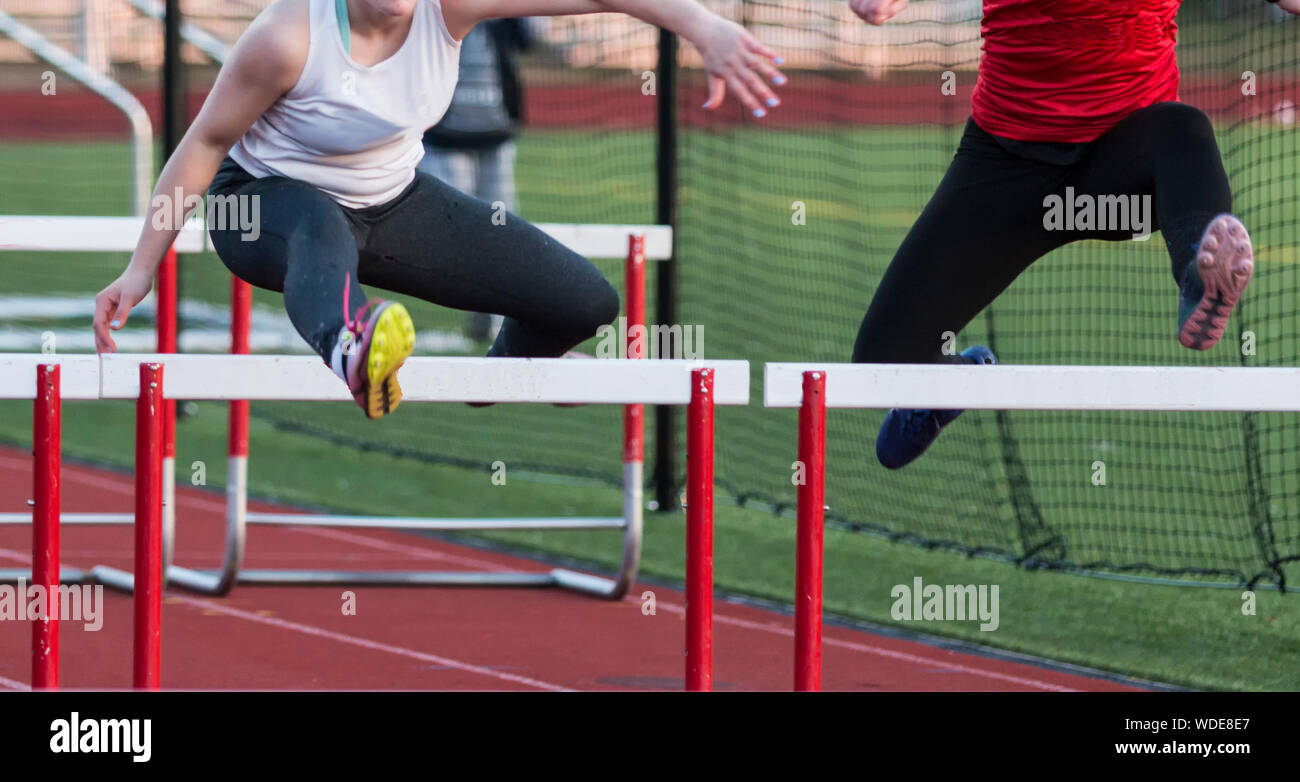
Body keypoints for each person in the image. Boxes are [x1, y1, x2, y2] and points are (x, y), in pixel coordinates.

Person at [93, 0, 785, 419]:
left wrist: (704, 26)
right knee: (317, 221)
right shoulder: (287, 38)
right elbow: (204, 142)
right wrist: (139, 270)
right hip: (263, 208)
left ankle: (497, 381)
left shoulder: (449, 8)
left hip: (393, 203)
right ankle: (352, 349)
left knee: (584, 302)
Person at [848, 0, 1300, 469]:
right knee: (880, 364)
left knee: (1183, 129)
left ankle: (1198, 271)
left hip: (1122, 184)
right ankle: (953, 386)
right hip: (1009, 171)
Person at [420, 17, 536, 342]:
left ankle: (491, 312)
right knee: (455, 229)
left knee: (500, 228)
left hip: (495, 136)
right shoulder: (437, 12)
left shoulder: (504, 12)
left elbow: (531, 38)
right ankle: (477, 301)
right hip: (445, 139)